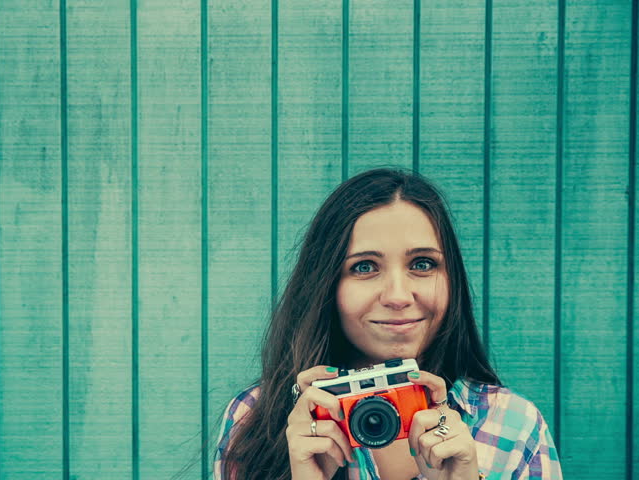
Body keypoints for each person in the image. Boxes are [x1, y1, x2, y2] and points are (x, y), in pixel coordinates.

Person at [213, 168, 562, 480]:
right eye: (364, 267)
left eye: (423, 264)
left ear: (451, 278)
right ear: (327, 285)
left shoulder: (514, 426)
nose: (398, 296)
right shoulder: (254, 421)